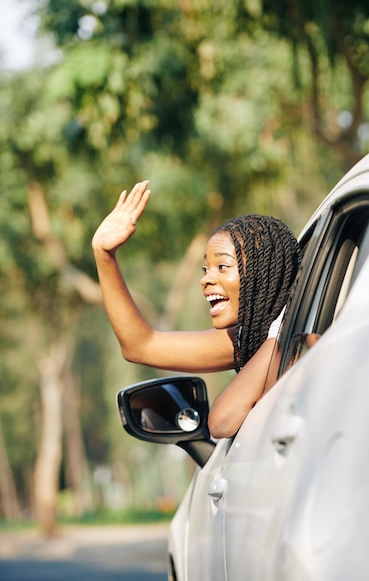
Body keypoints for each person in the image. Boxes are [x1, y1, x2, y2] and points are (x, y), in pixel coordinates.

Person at [92, 180, 302, 438]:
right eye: (206, 269)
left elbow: (220, 422)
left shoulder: (292, 337)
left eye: (222, 267)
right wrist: (104, 255)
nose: (205, 279)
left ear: (264, 274)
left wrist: (279, 335)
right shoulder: (245, 339)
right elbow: (140, 346)